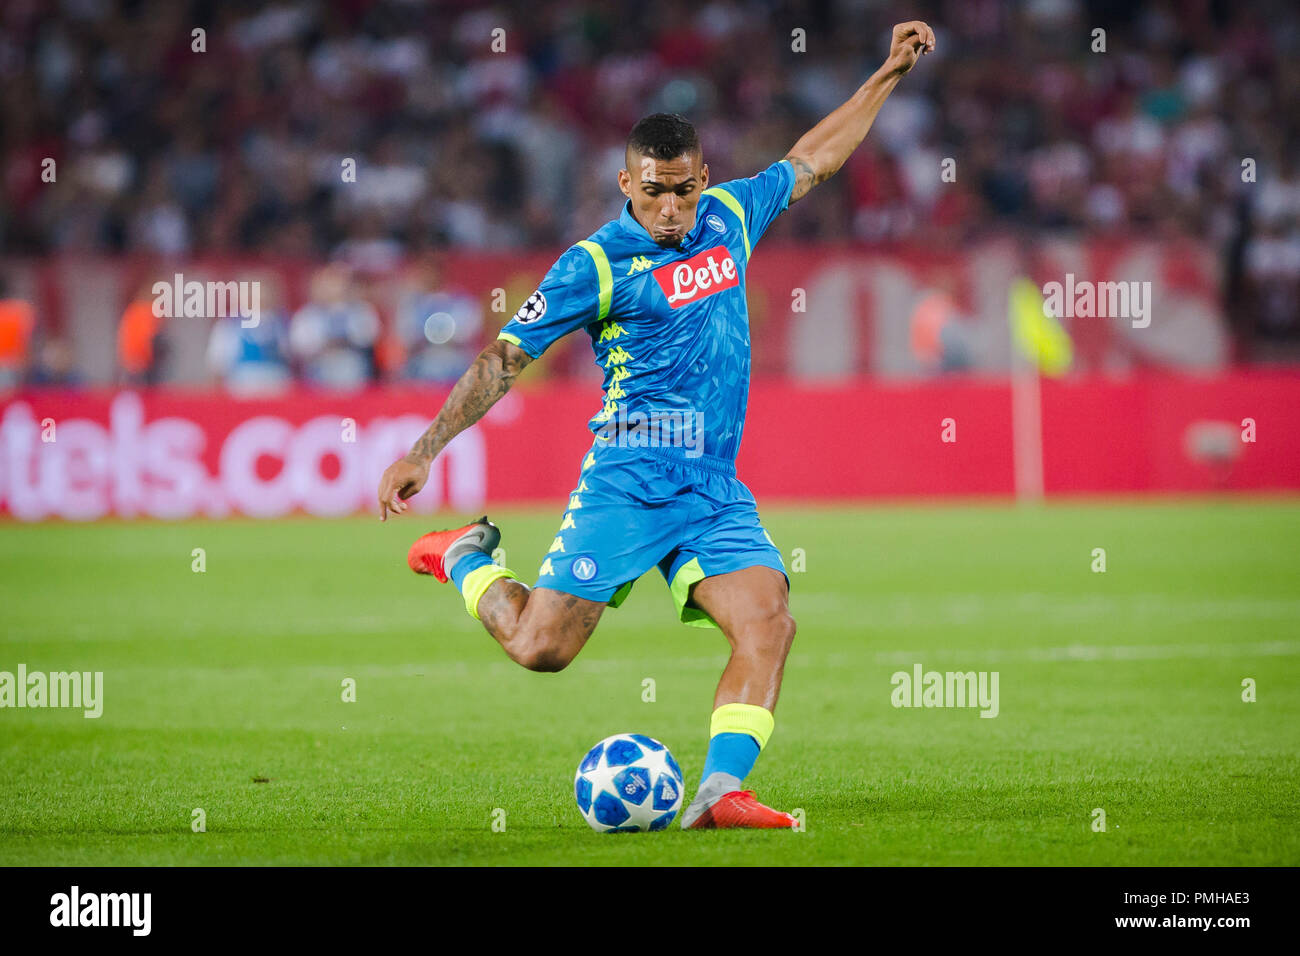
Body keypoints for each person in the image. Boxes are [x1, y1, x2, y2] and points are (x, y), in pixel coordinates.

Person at [378, 22, 936, 830]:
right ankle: (463, 559)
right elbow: (504, 358)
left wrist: (888, 73)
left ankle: (719, 793)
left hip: (711, 489)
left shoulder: (732, 216)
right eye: (654, 192)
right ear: (624, 184)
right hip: (630, 478)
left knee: (768, 621)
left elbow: (815, 156)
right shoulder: (593, 264)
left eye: (683, 188)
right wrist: (424, 449)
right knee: (543, 649)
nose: (671, 207)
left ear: (704, 178)